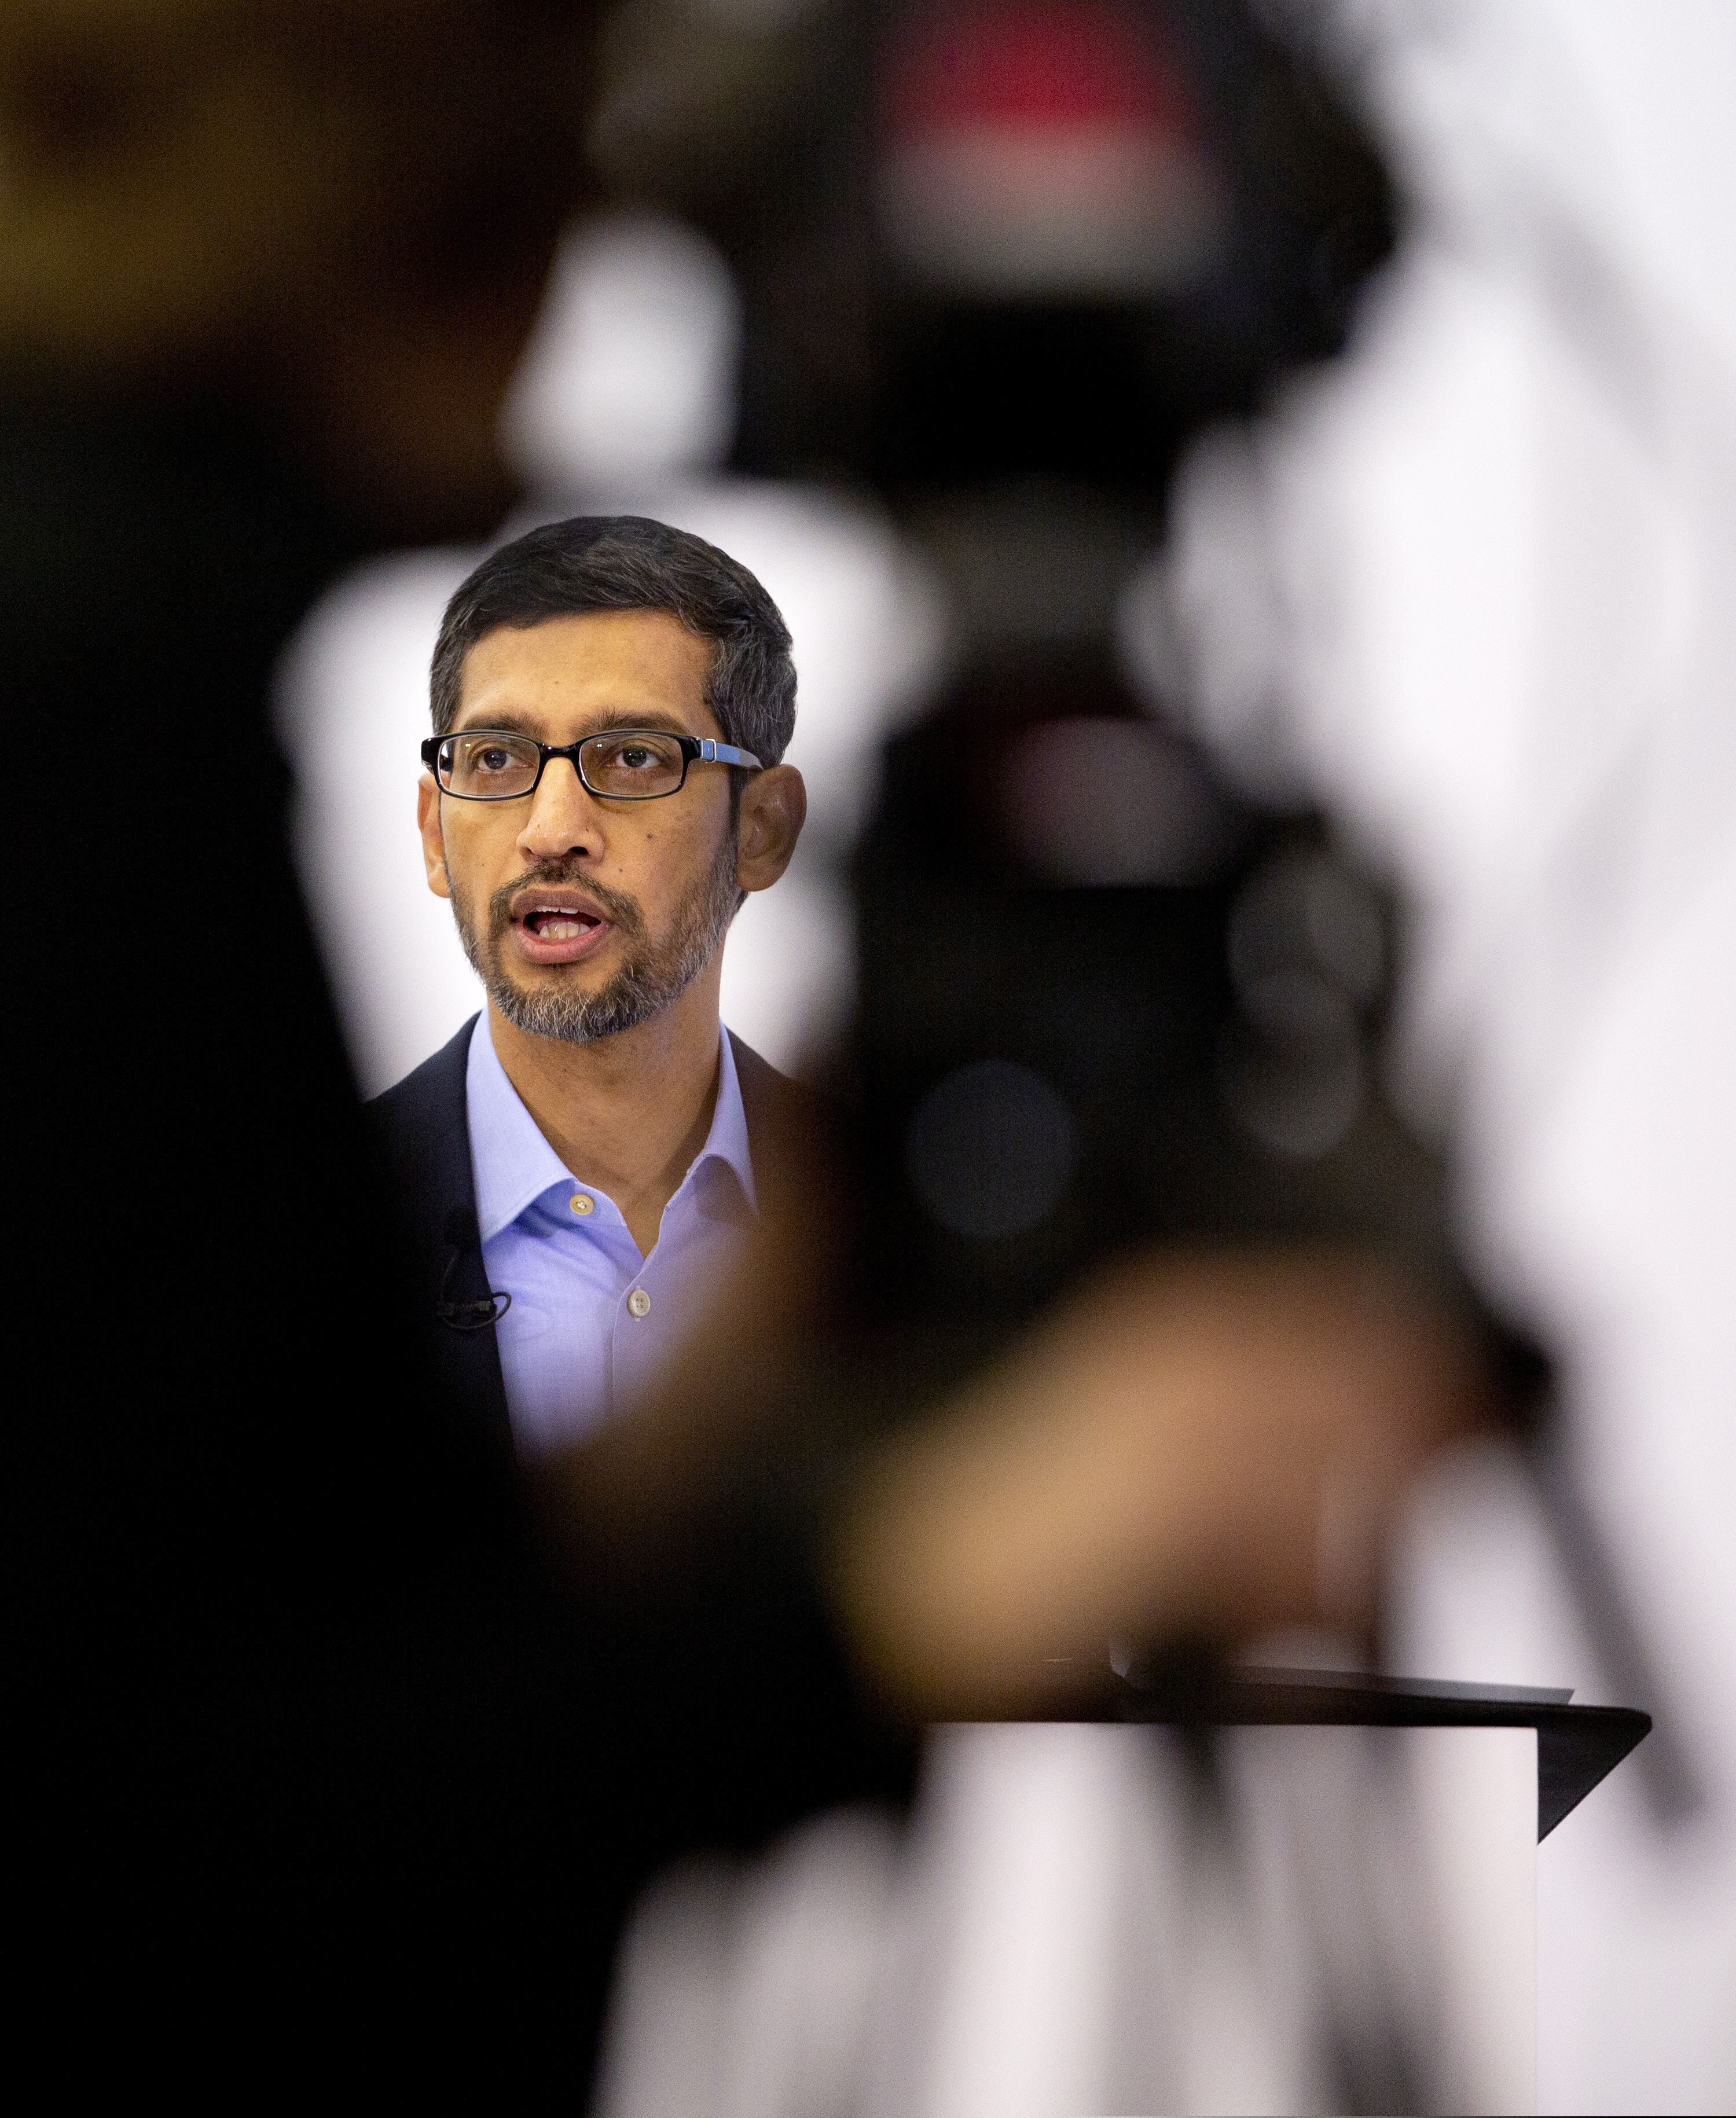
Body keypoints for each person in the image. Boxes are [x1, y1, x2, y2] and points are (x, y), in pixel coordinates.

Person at [370, 513, 816, 1459]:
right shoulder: (282, 1239)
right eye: (495, 760)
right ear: (432, 832)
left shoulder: (875, 1219)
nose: (551, 828)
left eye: (633, 758)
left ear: (763, 829)